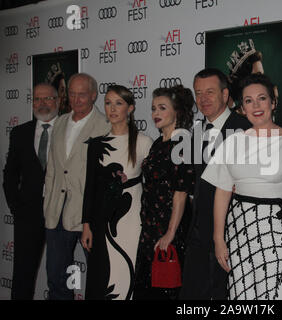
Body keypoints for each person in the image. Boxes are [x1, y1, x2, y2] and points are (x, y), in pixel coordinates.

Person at [202, 73, 282, 300]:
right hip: (239, 231)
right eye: (248, 101)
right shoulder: (233, 141)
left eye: (262, 98)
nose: (256, 106)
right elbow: (222, 191)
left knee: (278, 294)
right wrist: (218, 239)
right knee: (241, 296)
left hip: (277, 234)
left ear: (273, 102)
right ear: (242, 108)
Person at [180, 68, 251, 300]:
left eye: (210, 92)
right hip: (198, 235)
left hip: (231, 236)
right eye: (198, 93)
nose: (203, 99)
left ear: (225, 94)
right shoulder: (197, 131)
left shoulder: (245, 128)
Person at [80, 85, 152, 300]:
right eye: (108, 103)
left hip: (132, 221)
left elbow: (154, 185)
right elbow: (89, 188)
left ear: (130, 108)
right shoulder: (96, 145)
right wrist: (86, 226)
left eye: (118, 103)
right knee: (104, 277)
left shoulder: (144, 142)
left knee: (128, 273)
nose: (112, 108)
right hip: (102, 222)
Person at [43, 73, 110, 300]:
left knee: (99, 279)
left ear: (93, 95)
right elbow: (52, 168)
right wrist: (47, 204)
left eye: (82, 94)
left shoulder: (105, 125)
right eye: (72, 93)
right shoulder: (59, 122)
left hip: (89, 213)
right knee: (56, 277)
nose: (76, 99)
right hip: (57, 212)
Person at [133, 85, 194, 300]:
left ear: (176, 111)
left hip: (170, 227)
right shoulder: (158, 143)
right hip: (150, 226)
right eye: (153, 108)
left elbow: (181, 192)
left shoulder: (183, 143)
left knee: (166, 289)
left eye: (162, 108)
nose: (155, 114)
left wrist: (170, 232)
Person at [2, 83, 59, 300]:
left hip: (61, 214)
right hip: (28, 216)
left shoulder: (68, 129)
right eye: (37, 99)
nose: (42, 104)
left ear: (58, 100)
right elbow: (10, 175)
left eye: (47, 99)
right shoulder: (20, 132)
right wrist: (17, 208)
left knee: (59, 277)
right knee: (22, 277)